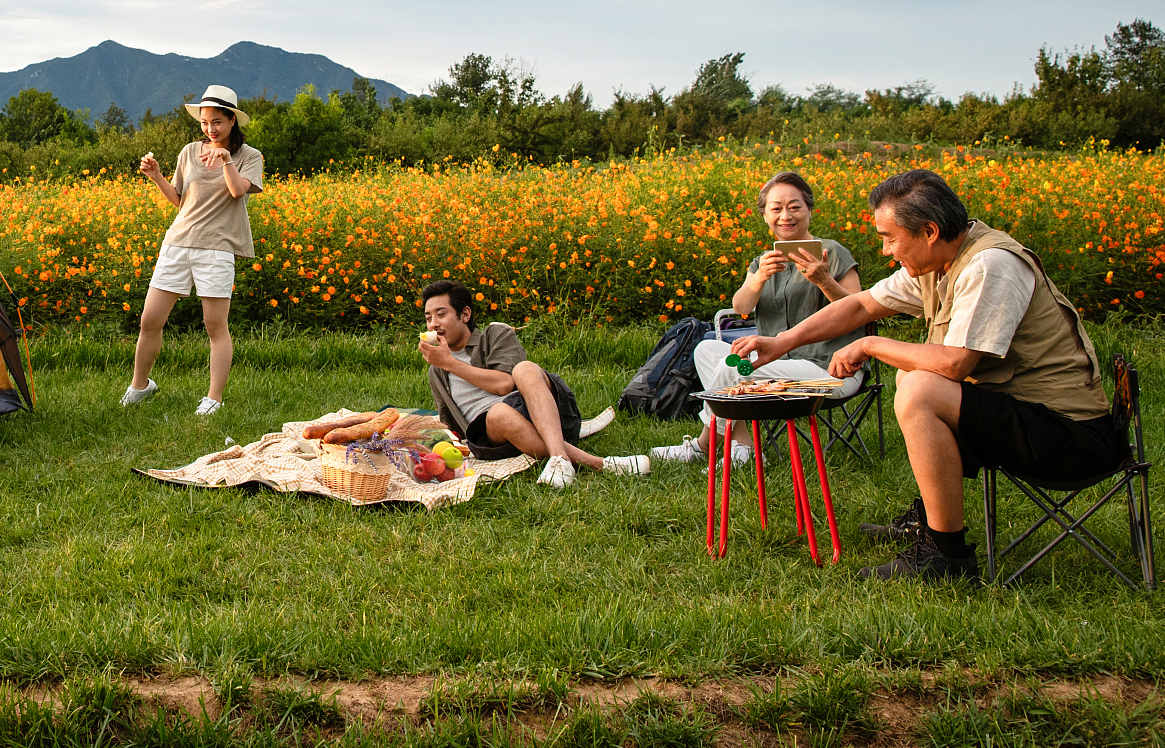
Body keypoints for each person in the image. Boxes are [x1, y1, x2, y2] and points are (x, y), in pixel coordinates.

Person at [734, 168, 1121, 580]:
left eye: (890, 237)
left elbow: (955, 364)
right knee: (917, 379)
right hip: (1026, 416)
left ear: (930, 231)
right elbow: (863, 306)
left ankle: (946, 555)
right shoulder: (940, 261)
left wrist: (868, 345)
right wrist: (782, 342)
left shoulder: (989, 265)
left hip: (1071, 437)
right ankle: (928, 520)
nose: (886, 251)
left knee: (920, 386)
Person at [651, 170, 863, 468]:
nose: (785, 215)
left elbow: (858, 311)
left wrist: (824, 280)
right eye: (776, 208)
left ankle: (703, 445)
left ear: (809, 210)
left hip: (828, 368)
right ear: (765, 216)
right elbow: (741, 307)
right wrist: (758, 278)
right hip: (776, 362)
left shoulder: (833, 254)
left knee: (733, 368)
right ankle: (744, 445)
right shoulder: (763, 261)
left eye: (794, 206)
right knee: (706, 350)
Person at [120, 85, 264, 416]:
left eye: (217, 122)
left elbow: (237, 190)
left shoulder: (249, 156)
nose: (210, 129)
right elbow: (181, 201)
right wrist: (157, 177)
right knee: (149, 320)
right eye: (204, 122)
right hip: (178, 242)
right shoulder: (189, 151)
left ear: (231, 122)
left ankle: (213, 399)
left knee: (215, 326)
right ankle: (140, 386)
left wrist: (227, 159)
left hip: (217, 248)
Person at [419, 280, 650, 487]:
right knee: (498, 413)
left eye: (441, 314)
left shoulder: (494, 335)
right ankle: (602, 464)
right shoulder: (436, 371)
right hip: (495, 433)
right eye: (428, 318)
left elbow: (504, 385)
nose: (433, 324)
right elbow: (450, 423)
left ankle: (559, 458)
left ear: (465, 314)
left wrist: (451, 363)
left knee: (525, 368)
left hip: (540, 409)